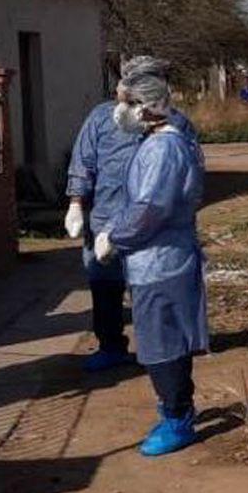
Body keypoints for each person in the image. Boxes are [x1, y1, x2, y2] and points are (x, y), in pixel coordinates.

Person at [92, 58, 209, 457]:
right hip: (158, 259)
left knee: (162, 344)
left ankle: (177, 418)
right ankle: (176, 408)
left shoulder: (164, 149)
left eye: (126, 102)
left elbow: (150, 209)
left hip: (160, 260)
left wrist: (115, 238)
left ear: (146, 106)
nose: (119, 111)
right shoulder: (160, 142)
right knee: (164, 339)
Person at [65, 58, 197, 372]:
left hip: (152, 229)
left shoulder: (177, 127)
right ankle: (111, 345)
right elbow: (83, 163)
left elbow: (188, 180)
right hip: (105, 220)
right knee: (105, 287)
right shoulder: (100, 119)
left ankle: (163, 353)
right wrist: (75, 204)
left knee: (151, 291)